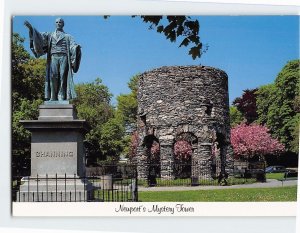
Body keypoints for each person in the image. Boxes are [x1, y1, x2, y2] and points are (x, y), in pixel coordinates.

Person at [24, 18, 81, 101]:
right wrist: (31, 29)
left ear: (63, 24)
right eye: (57, 22)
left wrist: (76, 49)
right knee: (53, 76)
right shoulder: (49, 35)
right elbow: (39, 36)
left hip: (64, 57)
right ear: (55, 24)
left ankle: (61, 95)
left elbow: (73, 46)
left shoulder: (68, 36)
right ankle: (53, 96)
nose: (58, 23)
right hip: (53, 57)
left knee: (62, 76)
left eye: (60, 22)